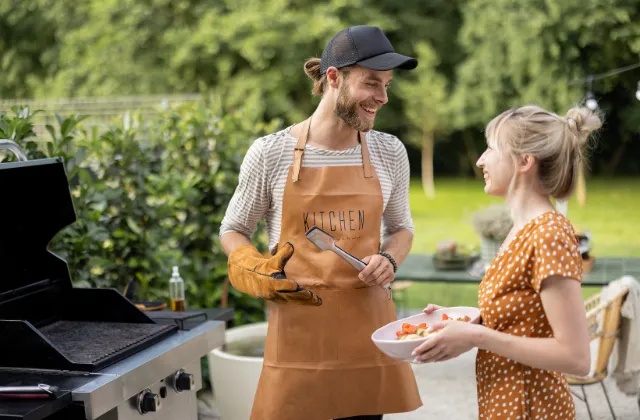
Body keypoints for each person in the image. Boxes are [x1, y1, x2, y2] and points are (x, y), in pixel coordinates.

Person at [220, 26, 422, 420]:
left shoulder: (389, 151)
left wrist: (391, 259)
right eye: (372, 83)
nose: (382, 98)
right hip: (298, 338)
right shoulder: (271, 153)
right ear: (334, 78)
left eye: (387, 85)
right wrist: (253, 265)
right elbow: (233, 228)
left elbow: (402, 228)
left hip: (368, 337)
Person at [412, 105, 601, 419]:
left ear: (524, 161)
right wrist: (460, 327)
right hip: (506, 404)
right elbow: (526, 323)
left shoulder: (549, 235)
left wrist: (477, 336)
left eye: (491, 148)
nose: (480, 160)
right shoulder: (521, 230)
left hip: (533, 408)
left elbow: (576, 357)